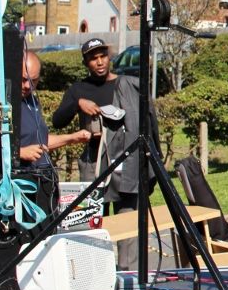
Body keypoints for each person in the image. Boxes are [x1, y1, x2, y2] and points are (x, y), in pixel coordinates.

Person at [52, 38, 160, 270]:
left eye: (103, 56)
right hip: (94, 161)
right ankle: (92, 273)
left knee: (128, 218)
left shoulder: (126, 85)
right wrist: (77, 103)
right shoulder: (78, 89)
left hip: (125, 160)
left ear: (109, 57)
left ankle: (127, 274)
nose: (99, 62)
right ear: (86, 62)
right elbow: (58, 121)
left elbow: (147, 121)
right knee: (90, 220)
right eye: (93, 58)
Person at [20, 50, 92, 170]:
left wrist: (73, 138)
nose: (28, 86)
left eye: (33, 80)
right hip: (19, 180)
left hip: (42, 177)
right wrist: (20, 152)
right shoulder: (3, 103)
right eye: (23, 79)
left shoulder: (32, 101)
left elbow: (42, 142)